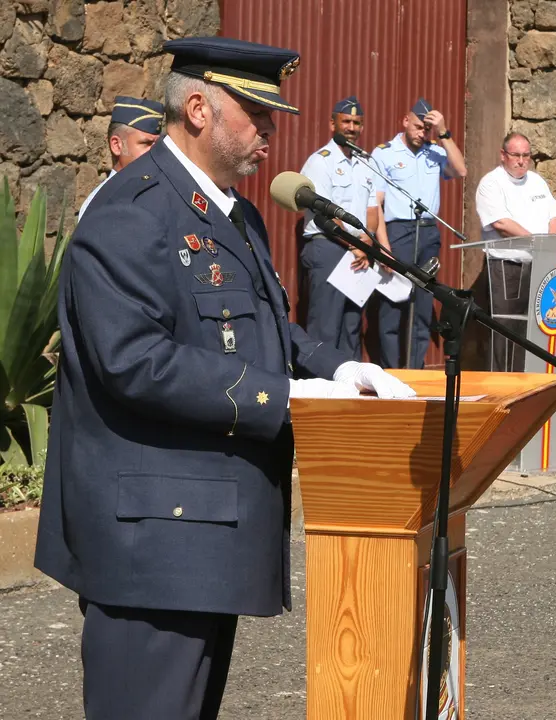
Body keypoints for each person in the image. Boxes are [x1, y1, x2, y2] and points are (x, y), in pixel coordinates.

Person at [33, 37, 415, 720]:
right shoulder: (131, 211)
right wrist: (287, 397)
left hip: (204, 541)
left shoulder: (231, 212)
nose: (270, 130)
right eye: (256, 113)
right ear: (200, 109)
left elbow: (269, 328)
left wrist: (343, 367)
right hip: (151, 548)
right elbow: (135, 361)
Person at [371, 97, 467, 369]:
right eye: (416, 127)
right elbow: (376, 202)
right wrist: (383, 245)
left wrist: (444, 132)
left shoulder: (435, 152)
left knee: (423, 306)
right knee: (393, 305)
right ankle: (390, 369)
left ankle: (415, 370)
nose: (421, 133)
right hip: (397, 231)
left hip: (427, 232)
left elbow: (460, 170)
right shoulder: (385, 153)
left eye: (426, 129)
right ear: (405, 121)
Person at [299, 95, 390, 358]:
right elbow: (323, 212)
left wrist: (366, 242)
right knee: (325, 327)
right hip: (329, 247)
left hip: (359, 251)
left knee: (352, 326)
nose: (351, 127)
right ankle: (319, 390)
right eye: (346, 121)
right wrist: (356, 244)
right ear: (332, 124)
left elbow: (372, 210)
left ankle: (351, 388)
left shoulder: (367, 162)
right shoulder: (321, 161)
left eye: (357, 123)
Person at [78, 95, 164, 219]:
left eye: (157, 144)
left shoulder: (162, 192)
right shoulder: (100, 204)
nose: (155, 151)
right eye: (146, 143)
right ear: (117, 145)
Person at [475, 131, 556, 241]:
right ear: (503, 155)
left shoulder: (537, 181)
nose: (521, 161)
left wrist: (550, 243)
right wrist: (536, 243)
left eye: (526, 155)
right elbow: (501, 223)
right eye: (515, 155)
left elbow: (555, 215)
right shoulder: (491, 183)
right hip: (508, 258)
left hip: (541, 256)